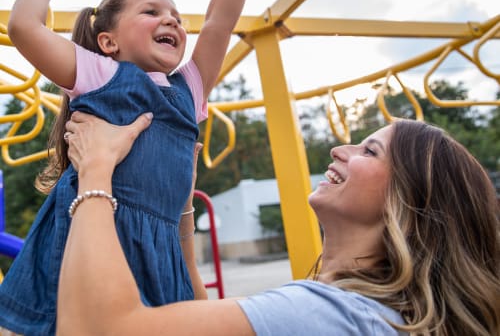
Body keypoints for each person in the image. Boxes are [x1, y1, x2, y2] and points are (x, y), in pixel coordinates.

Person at [0, 0, 283, 335]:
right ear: (108, 41)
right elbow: (25, 29)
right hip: (94, 232)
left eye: (175, 17)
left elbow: (219, 23)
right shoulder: (100, 73)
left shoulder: (190, 88)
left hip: (160, 250)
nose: (170, 19)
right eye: (150, 12)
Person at [56, 112, 500, 336]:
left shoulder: (330, 315)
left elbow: (98, 329)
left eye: (369, 151)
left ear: (409, 198)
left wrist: (96, 169)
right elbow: (203, 316)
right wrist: (180, 209)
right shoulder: (377, 316)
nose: (339, 151)